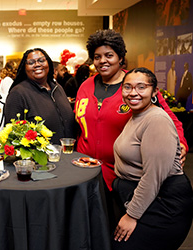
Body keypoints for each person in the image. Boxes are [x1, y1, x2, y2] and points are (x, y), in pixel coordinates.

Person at [74, 29, 188, 231]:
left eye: (109, 55)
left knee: (113, 228)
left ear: (120, 58)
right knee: (87, 228)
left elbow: (169, 119)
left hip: (121, 175)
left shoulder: (135, 86)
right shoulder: (85, 85)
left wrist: (181, 144)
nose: (103, 61)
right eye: (97, 57)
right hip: (85, 171)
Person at [112, 67, 193, 250]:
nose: (133, 93)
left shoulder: (156, 119)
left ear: (154, 91)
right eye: (128, 87)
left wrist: (131, 215)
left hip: (164, 204)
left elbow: (153, 178)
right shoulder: (137, 115)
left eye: (141, 87)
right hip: (145, 199)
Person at [5, 48, 75, 144]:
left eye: (41, 60)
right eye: (31, 62)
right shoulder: (18, 93)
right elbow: (12, 137)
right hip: (40, 158)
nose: (37, 64)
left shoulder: (57, 88)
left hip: (68, 154)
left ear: (48, 63)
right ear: (24, 68)